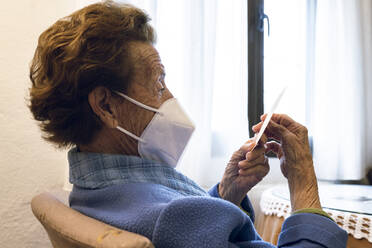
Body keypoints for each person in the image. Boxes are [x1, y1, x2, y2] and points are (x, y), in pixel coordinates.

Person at [28, 1, 347, 247]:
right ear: (106, 105)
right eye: (158, 82)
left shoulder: (91, 192)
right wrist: (304, 183)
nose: (170, 96)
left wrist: (226, 193)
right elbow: (175, 221)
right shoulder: (171, 219)